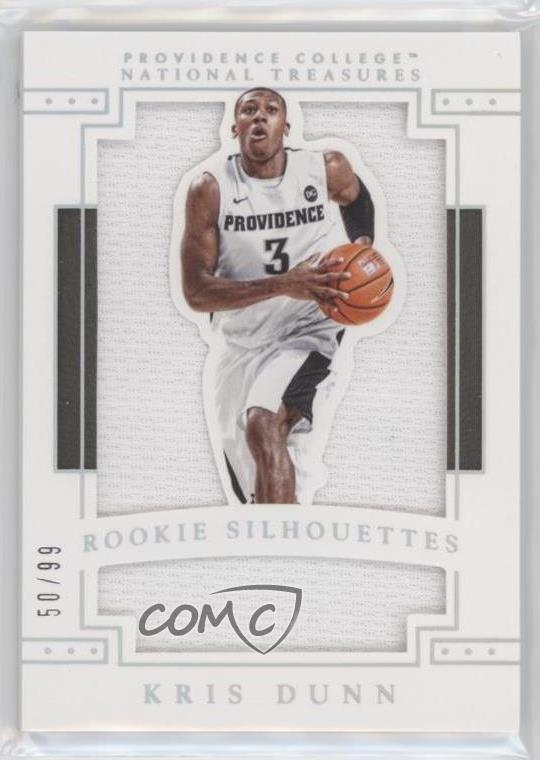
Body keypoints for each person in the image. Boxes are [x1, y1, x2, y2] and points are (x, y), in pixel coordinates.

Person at [179, 87, 374, 504]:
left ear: (287, 126)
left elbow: (356, 198)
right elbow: (195, 292)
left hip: (308, 327)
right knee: (251, 489)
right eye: (248, 110)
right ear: (234, 128)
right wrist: (284, 283)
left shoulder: (325, 168)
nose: (259, 117)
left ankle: (282, 539)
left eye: (271, 110)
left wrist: (361, 248)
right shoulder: (210, 189)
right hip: (241, 341)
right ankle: (278, 525)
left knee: (263, 423)